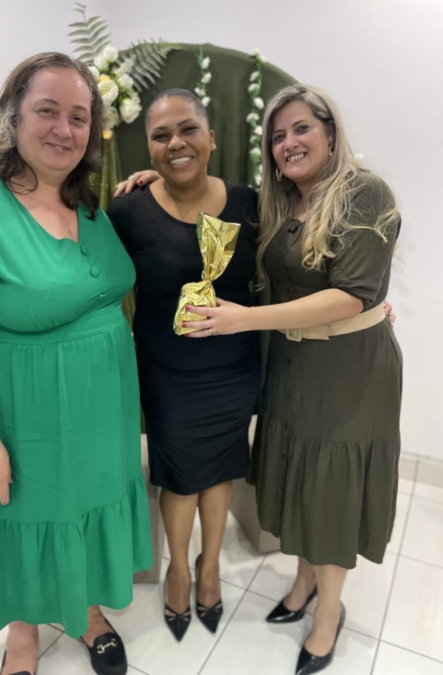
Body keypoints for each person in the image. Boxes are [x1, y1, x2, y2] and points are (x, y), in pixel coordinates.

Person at [0, 52, 152, 675]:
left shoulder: (87, 201)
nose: (64, 129)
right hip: (22, 415)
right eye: (47, 111)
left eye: (79, 117)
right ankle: (23, 635)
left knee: (83, 507)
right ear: (13, 116)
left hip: (101, 414)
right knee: (25, 515)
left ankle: (85, 611)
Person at [184, 84, 402, 675]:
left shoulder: (364, 194)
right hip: (292, 366)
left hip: (348, 372)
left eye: (301, 128)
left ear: (330, 132)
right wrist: (150, 182)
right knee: (304, 479)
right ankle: (304, 583)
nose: (289, 143)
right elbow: (211, 201)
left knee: (332, 490)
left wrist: (243, 320)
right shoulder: (281, 202)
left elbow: (351, 294)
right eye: (278, 136)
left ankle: (328, 613)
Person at [107, 88, 259, 641]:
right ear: (149, 149)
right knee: (179, 476)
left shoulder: (250, 205)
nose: (176, 143)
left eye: (188, 129)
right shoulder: (128, 210)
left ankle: (209, 566)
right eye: (161, 135)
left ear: (211, 138)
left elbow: (291, 267)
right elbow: (93, 277)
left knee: (221, 469)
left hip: (233, 367)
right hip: (167, 373)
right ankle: (178, 568)